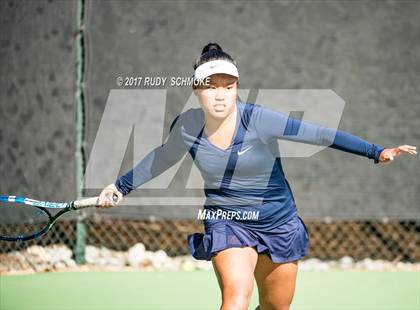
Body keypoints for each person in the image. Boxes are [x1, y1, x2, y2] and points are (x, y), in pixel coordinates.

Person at [98, 43, 417, 310]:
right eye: (211, 86)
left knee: (275, 307)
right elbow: (163, 157)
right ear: (197, 90)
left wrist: (376, 151)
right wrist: (120, 187)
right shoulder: (186, 126)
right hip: (227, 220)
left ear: (237, 88)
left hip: (279, 222)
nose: (221, 95)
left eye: (228, 86)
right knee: (236, 299)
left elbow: (319, 135)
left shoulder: (259, 120)